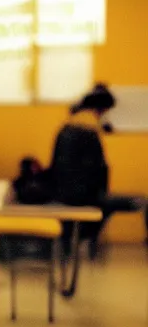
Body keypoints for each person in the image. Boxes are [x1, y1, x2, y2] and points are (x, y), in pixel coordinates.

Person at [50, 83, 141, 257]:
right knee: (141, 201)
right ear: (99, 110)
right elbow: (97, 171)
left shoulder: (65, 128)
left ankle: (84, 238)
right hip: (86, 198)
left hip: (62, 194)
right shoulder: (89, 131)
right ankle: (87, 237)